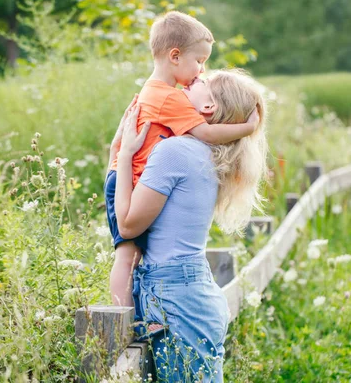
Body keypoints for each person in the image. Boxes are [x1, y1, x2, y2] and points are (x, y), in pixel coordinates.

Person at [113, 69, 267, 382]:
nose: (191, 80)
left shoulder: (176, 151)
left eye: (201, 82)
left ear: (208, 107)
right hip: (187, 290)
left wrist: (123, 154)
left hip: (176, 295)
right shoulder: (205, 153)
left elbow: (127, 226)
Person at [104, 11, 259, 311]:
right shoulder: (170, 98)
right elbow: (208, 134)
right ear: (175, 56)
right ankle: (121, 318)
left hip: (124, 176)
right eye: (200, 61)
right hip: (127, 180)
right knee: (127, 256)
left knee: (131, 256)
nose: (202, 71)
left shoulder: (155, 91)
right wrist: (247, 128)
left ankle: (131, 313)